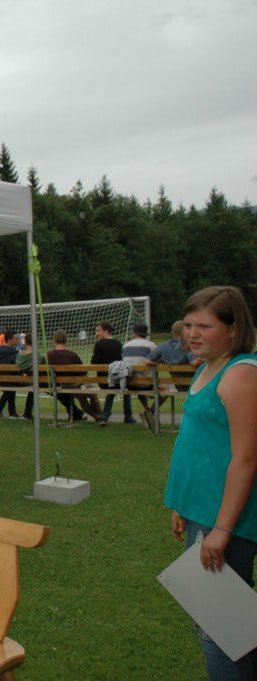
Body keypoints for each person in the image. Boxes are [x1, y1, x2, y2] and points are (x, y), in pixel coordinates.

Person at [164, 285, 257, 679]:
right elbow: (202, 444)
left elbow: (246, 458)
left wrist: (221, 529)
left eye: (204, 326)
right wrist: (181, 504)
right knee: (234, 623)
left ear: (233, 329)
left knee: (219, 629)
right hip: (200, 509)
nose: (192, 334)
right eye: (188, 325)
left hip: (225, 516)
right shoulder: (208, 366)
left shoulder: (240, 373)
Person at [47, 329, 102, 422]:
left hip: (63, 385)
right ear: (66, 340)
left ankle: (97, 416)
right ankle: (101, 415)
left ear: (54, 340)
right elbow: (83, 371)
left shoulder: (49, 355)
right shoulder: (72, 355)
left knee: (82, 395)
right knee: (90, 393)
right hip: (76, 385)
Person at [123, 323, 158, 427]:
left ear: (134, 333)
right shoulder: (152, 345)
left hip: (129, 384)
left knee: (138, 382)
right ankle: (150, 412)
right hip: (147, 384)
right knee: (165, 390)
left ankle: (147, 410)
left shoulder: (125, 345)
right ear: (145, 334)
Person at [92, 320, 127, 425]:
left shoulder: (99, 344)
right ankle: (128, 416)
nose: (96, 333)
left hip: (104, 381)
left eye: (98, 330)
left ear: (106, 331)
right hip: (118, 380)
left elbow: (94, 363)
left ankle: (104, 417)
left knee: (111, 386)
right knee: (122, 386)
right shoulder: (118, 343)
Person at [0, 330, 20, 418]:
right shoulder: (15, 352)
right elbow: (19, 369)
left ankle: (1, 411)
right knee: (12, 384)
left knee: (10, 385)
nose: (18, 341)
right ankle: (12, 412)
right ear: (9, 340)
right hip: (10, 381)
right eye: (16, 339)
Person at [15, 333, 36, 419]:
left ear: (25, 342)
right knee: (35, 385)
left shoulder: (19, 355)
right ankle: (27, 413)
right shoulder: (37, 355)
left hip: (18, 381)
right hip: (33, 382)